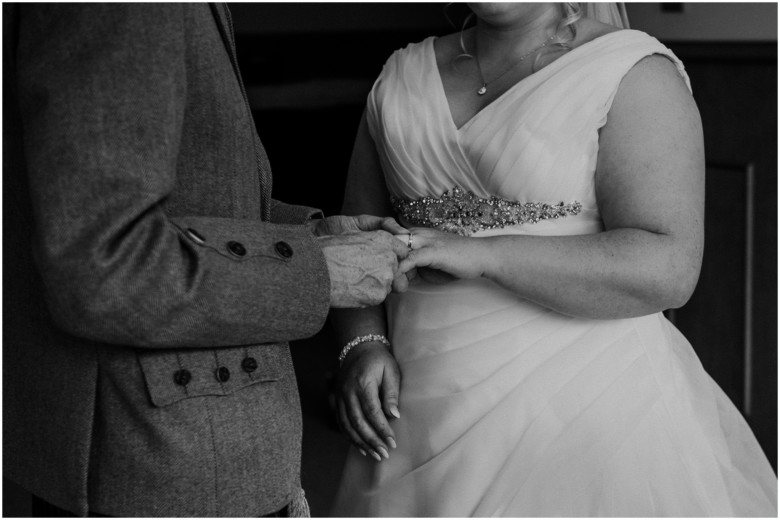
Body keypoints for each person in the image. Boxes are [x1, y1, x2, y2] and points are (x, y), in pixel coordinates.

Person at [330, 2, 777, 516]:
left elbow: (668, 268)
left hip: (582, 406)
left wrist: (483, 255)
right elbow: (353, 238)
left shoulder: (632, 71)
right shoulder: (398, 77)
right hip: (413, 407)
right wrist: (361, 344)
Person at [3, 4, 409, 517]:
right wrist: (318, 271)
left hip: (201, 451)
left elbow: (200, 200)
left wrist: (311, 235)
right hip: (162, 463)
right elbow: (101, 266)